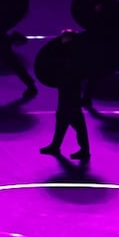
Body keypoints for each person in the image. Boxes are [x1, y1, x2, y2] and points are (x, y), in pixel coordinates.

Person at [37, 30, 91, 161]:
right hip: (67, 88)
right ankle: (58, 145)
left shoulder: (73, 53)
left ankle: (83, 150)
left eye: (65, 37)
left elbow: (63, 60)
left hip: (70, 89)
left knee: (74, 120)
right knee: (64, 118)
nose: (62, 38)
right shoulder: (72, 51)